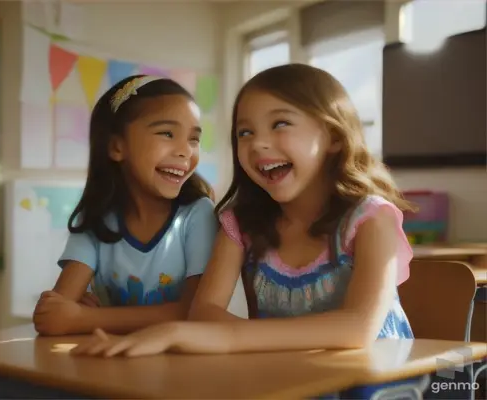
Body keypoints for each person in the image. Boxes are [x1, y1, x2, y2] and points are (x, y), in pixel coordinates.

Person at [71, 65, 417, 384]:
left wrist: (206, 335)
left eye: (279, 124)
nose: (258, 143)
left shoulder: (373, 219)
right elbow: (204, 312)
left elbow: (357, 328)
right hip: (281, 381)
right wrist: (199, 332)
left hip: (378, 385)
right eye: (244, 132)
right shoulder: (239, 223)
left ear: (334, 136)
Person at [32, 75, 218, 336]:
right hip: (114, 364)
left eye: (193, 139)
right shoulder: (96, 220)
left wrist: (88, 318)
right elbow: (54, 313)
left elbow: (195, 312)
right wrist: (74, 313)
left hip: (181, 369)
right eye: (167, 133)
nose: (186, 151)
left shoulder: (198, 214)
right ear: (117, 146)